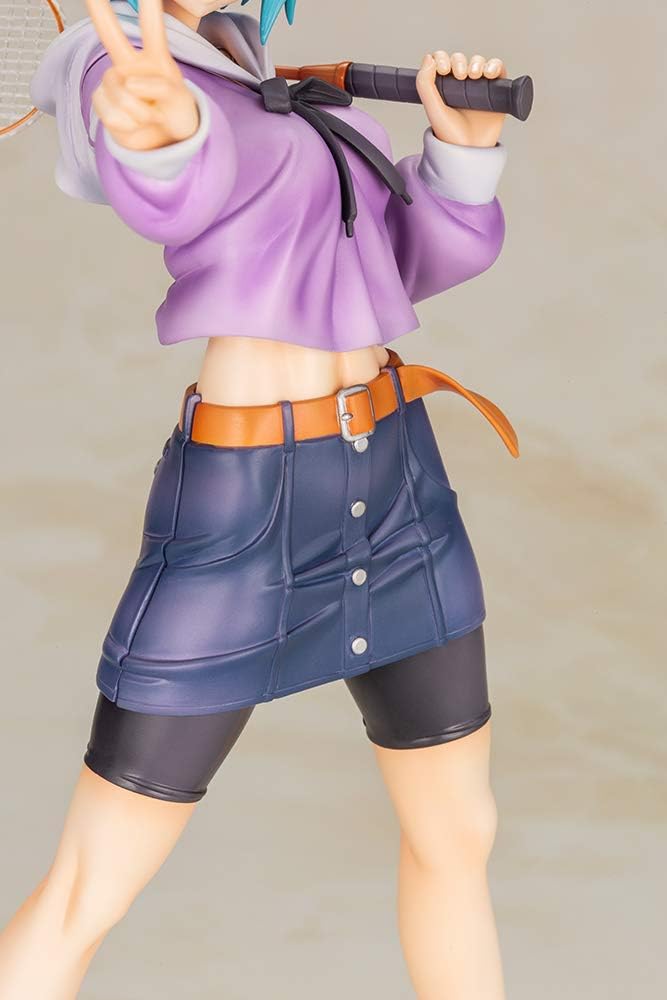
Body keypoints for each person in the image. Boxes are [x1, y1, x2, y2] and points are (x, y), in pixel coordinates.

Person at [0, 1, 519, 996]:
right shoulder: (121, 68)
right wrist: (160, 137)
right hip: (247, 513)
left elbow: (402, 261)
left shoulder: (276, 85)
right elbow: (175, 186)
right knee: (91, 884)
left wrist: (461, 152)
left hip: (399, 486)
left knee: (459, 833)